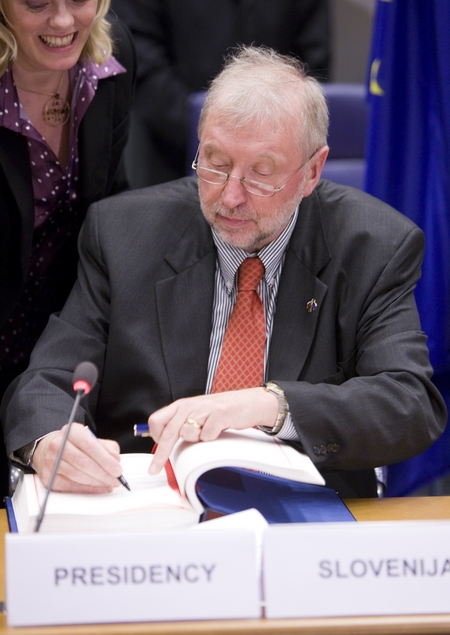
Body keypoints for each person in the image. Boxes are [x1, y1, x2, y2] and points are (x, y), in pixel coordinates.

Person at [1, 46, 446, 500]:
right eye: (215, 163)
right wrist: (49, 438)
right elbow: (49, 379)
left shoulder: (372, 245)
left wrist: (269, 404)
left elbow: (408, 402)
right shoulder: (123, 233)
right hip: (151, 508)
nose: (230, 196)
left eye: (261, 173)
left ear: (313, 171)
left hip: (303, 519)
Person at [0, 0, 136, 499]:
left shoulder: (112, 65)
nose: (62, 22)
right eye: (37, 3)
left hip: (53, 345)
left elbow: (108, 203)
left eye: (78, 0)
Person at [111, 0, 331, 187]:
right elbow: (140, 52)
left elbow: (312, 63)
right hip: (167, 152)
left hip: (272, 162)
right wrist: (209, 133)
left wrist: (267, 140)